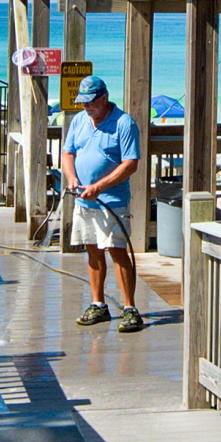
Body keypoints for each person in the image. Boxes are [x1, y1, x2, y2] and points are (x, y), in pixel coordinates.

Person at [59, 75, 145, 333]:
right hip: (84, 202)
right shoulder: (79, 121)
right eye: (83, 103)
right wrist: (72, 177)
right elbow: (68, 152)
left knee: (118, 251)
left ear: (104, 98)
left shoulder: (124, 123)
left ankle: (130, 308)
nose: (86, 107)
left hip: (112, 201)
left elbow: (131, 164)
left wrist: (99, 187)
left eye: (90, 103)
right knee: (93, 251)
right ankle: (98, 304)